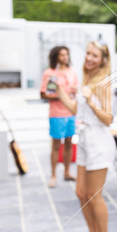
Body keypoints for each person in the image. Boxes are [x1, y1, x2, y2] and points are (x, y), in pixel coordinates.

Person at [57, 40, 115, 232]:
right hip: (83, 139)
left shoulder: (104, 83)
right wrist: (60, 91)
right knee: (81, 192)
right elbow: (75, 111)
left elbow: (108, 118)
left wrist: (90, 101)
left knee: (94, 194)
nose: (89, 58)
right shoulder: (87, 79)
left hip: (99, 141)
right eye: (88, 54)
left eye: (95, 55)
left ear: (102, 60)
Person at [40, 45, 78, 188]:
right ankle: (53, 175)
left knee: (69, 143)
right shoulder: (50, 73)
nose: (65, 57)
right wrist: (60, 96)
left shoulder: (72, 72)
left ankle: (67, 172)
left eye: (66, 54)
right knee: (56, 145)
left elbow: (76, 90)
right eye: (62, 55)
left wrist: (74, 92)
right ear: (55, 56)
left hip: (71, 113)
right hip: (56, 114)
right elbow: (44, 94)